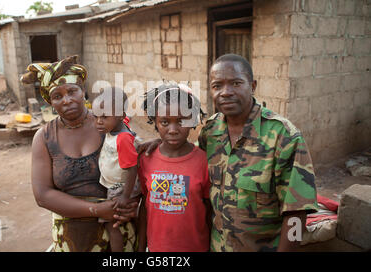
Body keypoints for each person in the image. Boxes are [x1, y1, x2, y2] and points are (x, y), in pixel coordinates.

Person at [198, 53, 318, 252]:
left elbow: (296, 215)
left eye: (236, 83)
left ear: (252, 86)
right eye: (217, 86)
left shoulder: (284, 137)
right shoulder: (209, 132)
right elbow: (192, 169)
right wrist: (158, 145)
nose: (225, 92)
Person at [20, 56, 138, 252]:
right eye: (57, 96)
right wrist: (97, 210)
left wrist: (130, 203)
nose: (66, 100)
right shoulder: (44, 138)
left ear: (83, 91)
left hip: (117, 232)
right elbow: (42, 195)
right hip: (70, 237)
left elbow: (132, 163)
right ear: (50, 101)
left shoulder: (109, 124)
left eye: (72, 91)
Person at [137, 83, 211, 252]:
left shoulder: (203, 161)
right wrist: (141, 248)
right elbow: (144, 205)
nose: (173, 130)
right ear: (155, 121)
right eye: (164, 122)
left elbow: (208, 210)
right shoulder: (145, 159)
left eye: (181, 121)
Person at [92, 87, 140, 252]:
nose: (98, 121)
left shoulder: (122, 139)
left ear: (120, 115)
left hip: (120, 187)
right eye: (96, 116)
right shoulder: (114, 127)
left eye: (104, 117)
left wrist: (125, 196)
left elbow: (132, 169)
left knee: (112, 224)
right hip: (116, 184)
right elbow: (126, 121)